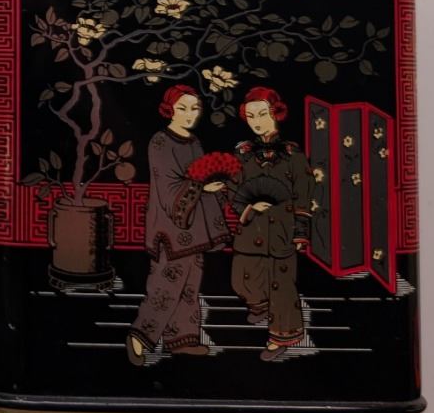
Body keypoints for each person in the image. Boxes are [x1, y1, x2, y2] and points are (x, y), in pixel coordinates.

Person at [127, 85, 231, 365]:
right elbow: (168, 187)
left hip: (194, 228)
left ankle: (183, 340)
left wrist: (212, 187)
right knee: (165, 287)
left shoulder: (194, 142)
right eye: (182, 108)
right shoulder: (160, 142)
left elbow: (200, 177)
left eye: (195, 108)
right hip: (171, 227)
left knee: (189, 287)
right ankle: (139, 336)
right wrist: (201, 187)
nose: (189, 114)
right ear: (170, 109)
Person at [230, 85, 313, 361]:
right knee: (242, 281)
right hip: (251, 227)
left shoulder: (293, 155)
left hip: (281, 230)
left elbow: (304, 194)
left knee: (282, 286)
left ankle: (281, 337)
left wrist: (300, 233)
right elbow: (233, 191)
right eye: (251, 115)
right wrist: (248, 208)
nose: (256, 121)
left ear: (276, 113)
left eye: (262, 114)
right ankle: (259, 305)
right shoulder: (243, 154)